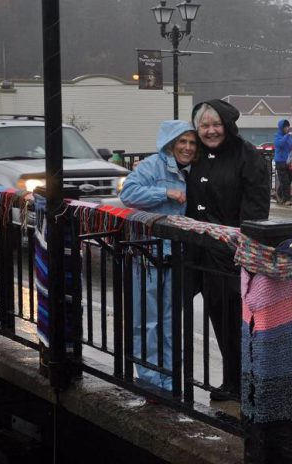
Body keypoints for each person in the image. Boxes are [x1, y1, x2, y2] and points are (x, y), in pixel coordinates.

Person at [187, 99, 270, 401]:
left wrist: (245, 247)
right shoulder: (196, 154)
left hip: (234, 254)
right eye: (204, 126)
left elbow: (257, 207)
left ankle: (246, 383)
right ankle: (231, 380)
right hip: (204, 253)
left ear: (227, 124)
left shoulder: (246, 155)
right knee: (219, 317)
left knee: (240, 321)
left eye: (215, 124)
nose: (210, 131)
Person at [119, 120, 197, 390]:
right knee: (147, 320)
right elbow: (127, 194)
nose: (187, 148)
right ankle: (151, 378)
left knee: (170, 319)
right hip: (148, 254)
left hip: (175, 255)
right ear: (171, 143)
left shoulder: (193, 171)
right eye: (182, 141)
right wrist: (164, 192)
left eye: (192, 143)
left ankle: (170, 377)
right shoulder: (153, 166)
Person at [273, 119, 292, 206]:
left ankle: (278, 194)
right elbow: (280, 144)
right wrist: (287, 136)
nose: (287, 128)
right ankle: (286, 200)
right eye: (285, 127)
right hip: (280, 161)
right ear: (281, 128)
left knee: (289, 179)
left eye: (288, 126)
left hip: (288, 161)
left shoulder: (290, 136)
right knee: (284, 180)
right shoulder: (277, 136)